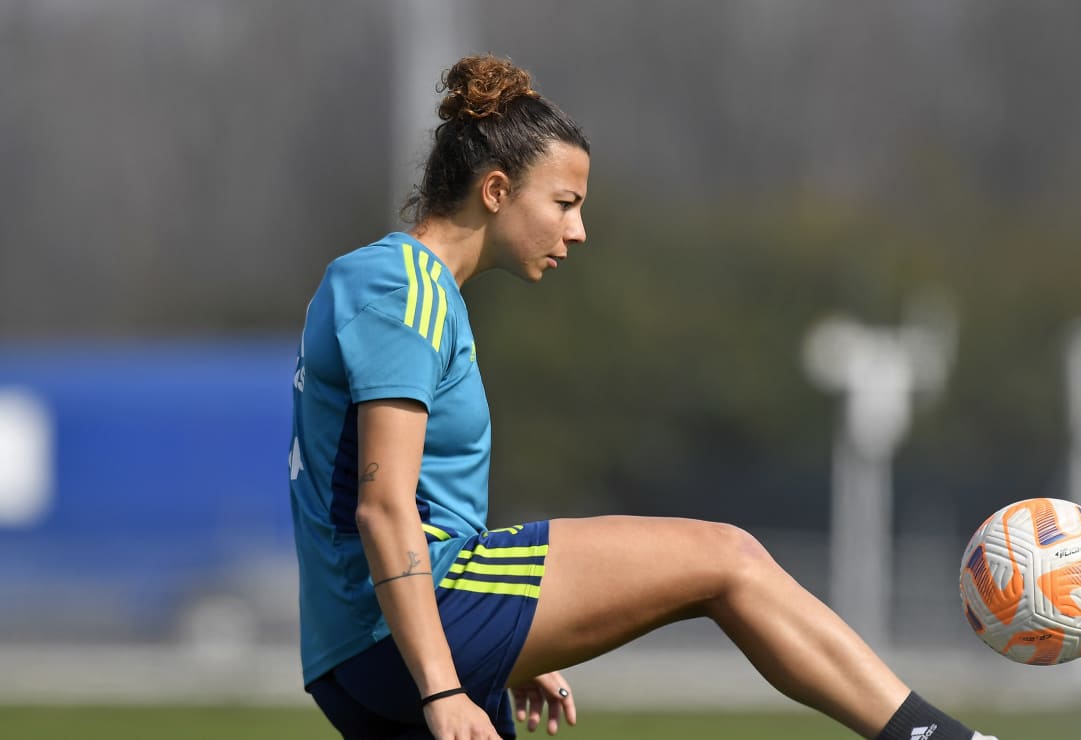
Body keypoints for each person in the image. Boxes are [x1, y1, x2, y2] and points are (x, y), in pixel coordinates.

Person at [288, 53, 997, 740]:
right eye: (564, 203)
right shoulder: (404, 290)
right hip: (403, 628)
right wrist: (443, 678)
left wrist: (513, 644)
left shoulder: (387, 282)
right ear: (497, 191)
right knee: (727, 559)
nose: (578, 229)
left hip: (359, 645)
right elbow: (383, 507)